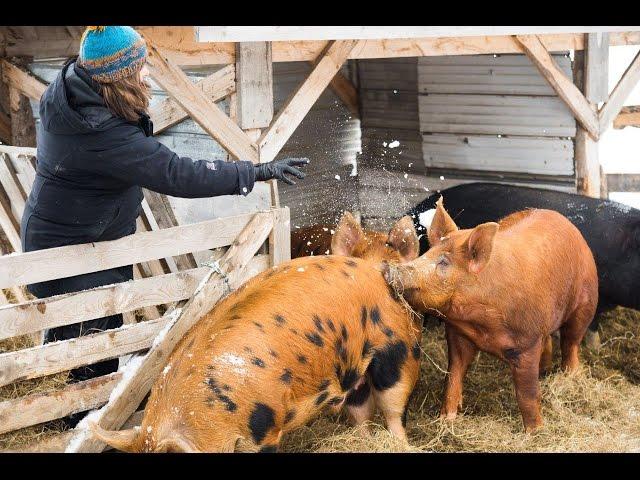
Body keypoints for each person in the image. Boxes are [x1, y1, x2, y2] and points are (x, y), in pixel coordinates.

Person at [20, 26, 308, 425]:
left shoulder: (73, 89)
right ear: (117, 78)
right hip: (72, 254)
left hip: (75, 238)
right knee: (94, 343)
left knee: (83, 333)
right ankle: (79, 427)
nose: (148, 75)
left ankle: (71, 413)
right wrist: (256, 171)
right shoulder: (100, 134)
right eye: (139, 68)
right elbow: (178, 174)